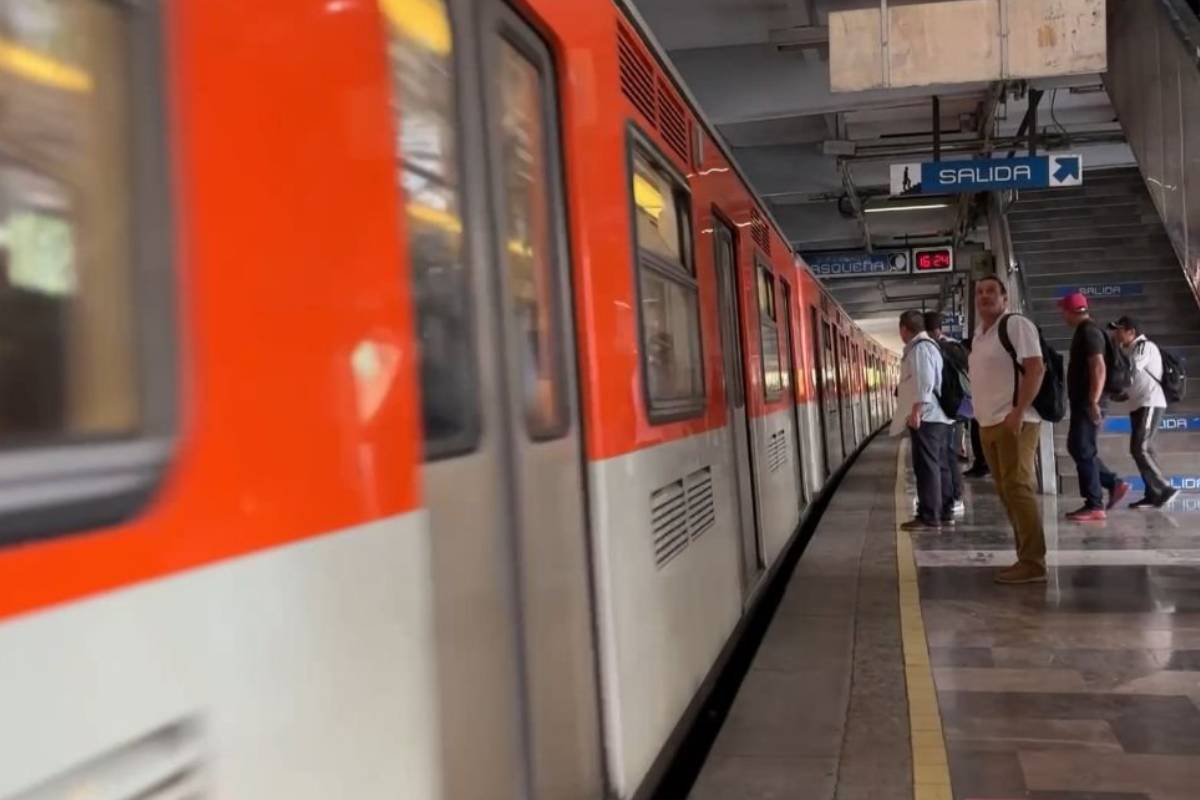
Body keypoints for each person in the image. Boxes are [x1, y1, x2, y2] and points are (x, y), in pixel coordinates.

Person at [968, 276, 1048, 584]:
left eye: (991, 291)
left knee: (1018, 488)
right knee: (1006, 492)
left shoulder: (1015, 325)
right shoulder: (979, 335)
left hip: (1015, 422)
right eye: (979, 292)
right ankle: (1024, 556)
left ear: (1005, 298)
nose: (984, 296)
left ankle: (1033, 562)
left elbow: (1035, 367)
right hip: (989, 424)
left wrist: (1018, 411)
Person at [1060, 292, 1129, 521]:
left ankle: (1094, 504)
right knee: (1077, 446)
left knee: (1083, 448)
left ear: (1071, 311)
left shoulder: (1089, 332)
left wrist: (1093, 401)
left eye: (1064, 311)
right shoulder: (1087, 331)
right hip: (1085, 401)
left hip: (1090, 402)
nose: (1063, 316)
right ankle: (1112, 483)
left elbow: (1098, 367)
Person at [891, 309, 954, 530]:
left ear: (904, 329)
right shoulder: (929, 346)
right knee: (941, 465)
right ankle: (945, 510)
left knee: (927, 467)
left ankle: (929, 515)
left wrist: (917, 410)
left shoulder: (920, 348)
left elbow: (925, 382)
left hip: (928, 417)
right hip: (938, 417)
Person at [1108, 316, 1179, 508]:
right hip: (1138, 404)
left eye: (1119, 330)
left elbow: (1129, 372)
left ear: (1131, 331)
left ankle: (1164, 488)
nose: (1116, 333)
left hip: (1151, 402)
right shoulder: (1128, 349)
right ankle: (1153, 494)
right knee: (1145, 448)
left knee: (1139, 447)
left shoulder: (1143, 346)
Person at [924, 311, 966, 516]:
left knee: (945, 456)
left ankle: (952, 499)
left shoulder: (934, 348)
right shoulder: (955, 346)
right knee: (950, 454)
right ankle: (955, 497)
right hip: (958, 408)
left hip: (944, 409)